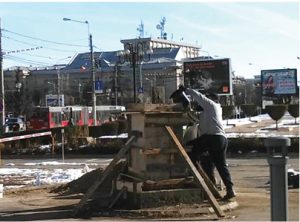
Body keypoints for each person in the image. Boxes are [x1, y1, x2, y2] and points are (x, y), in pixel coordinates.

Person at [178, 85, 236, 200]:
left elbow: (199, 96)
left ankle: (195, 174)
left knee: (190, 148)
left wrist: (186, 90)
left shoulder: (211, 105)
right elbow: (193, 117)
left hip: (212, 138)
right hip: (220, 140)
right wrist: (188, 110)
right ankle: (228, 189)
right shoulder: (211, 112)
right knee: (215, 164)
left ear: (211, 99)